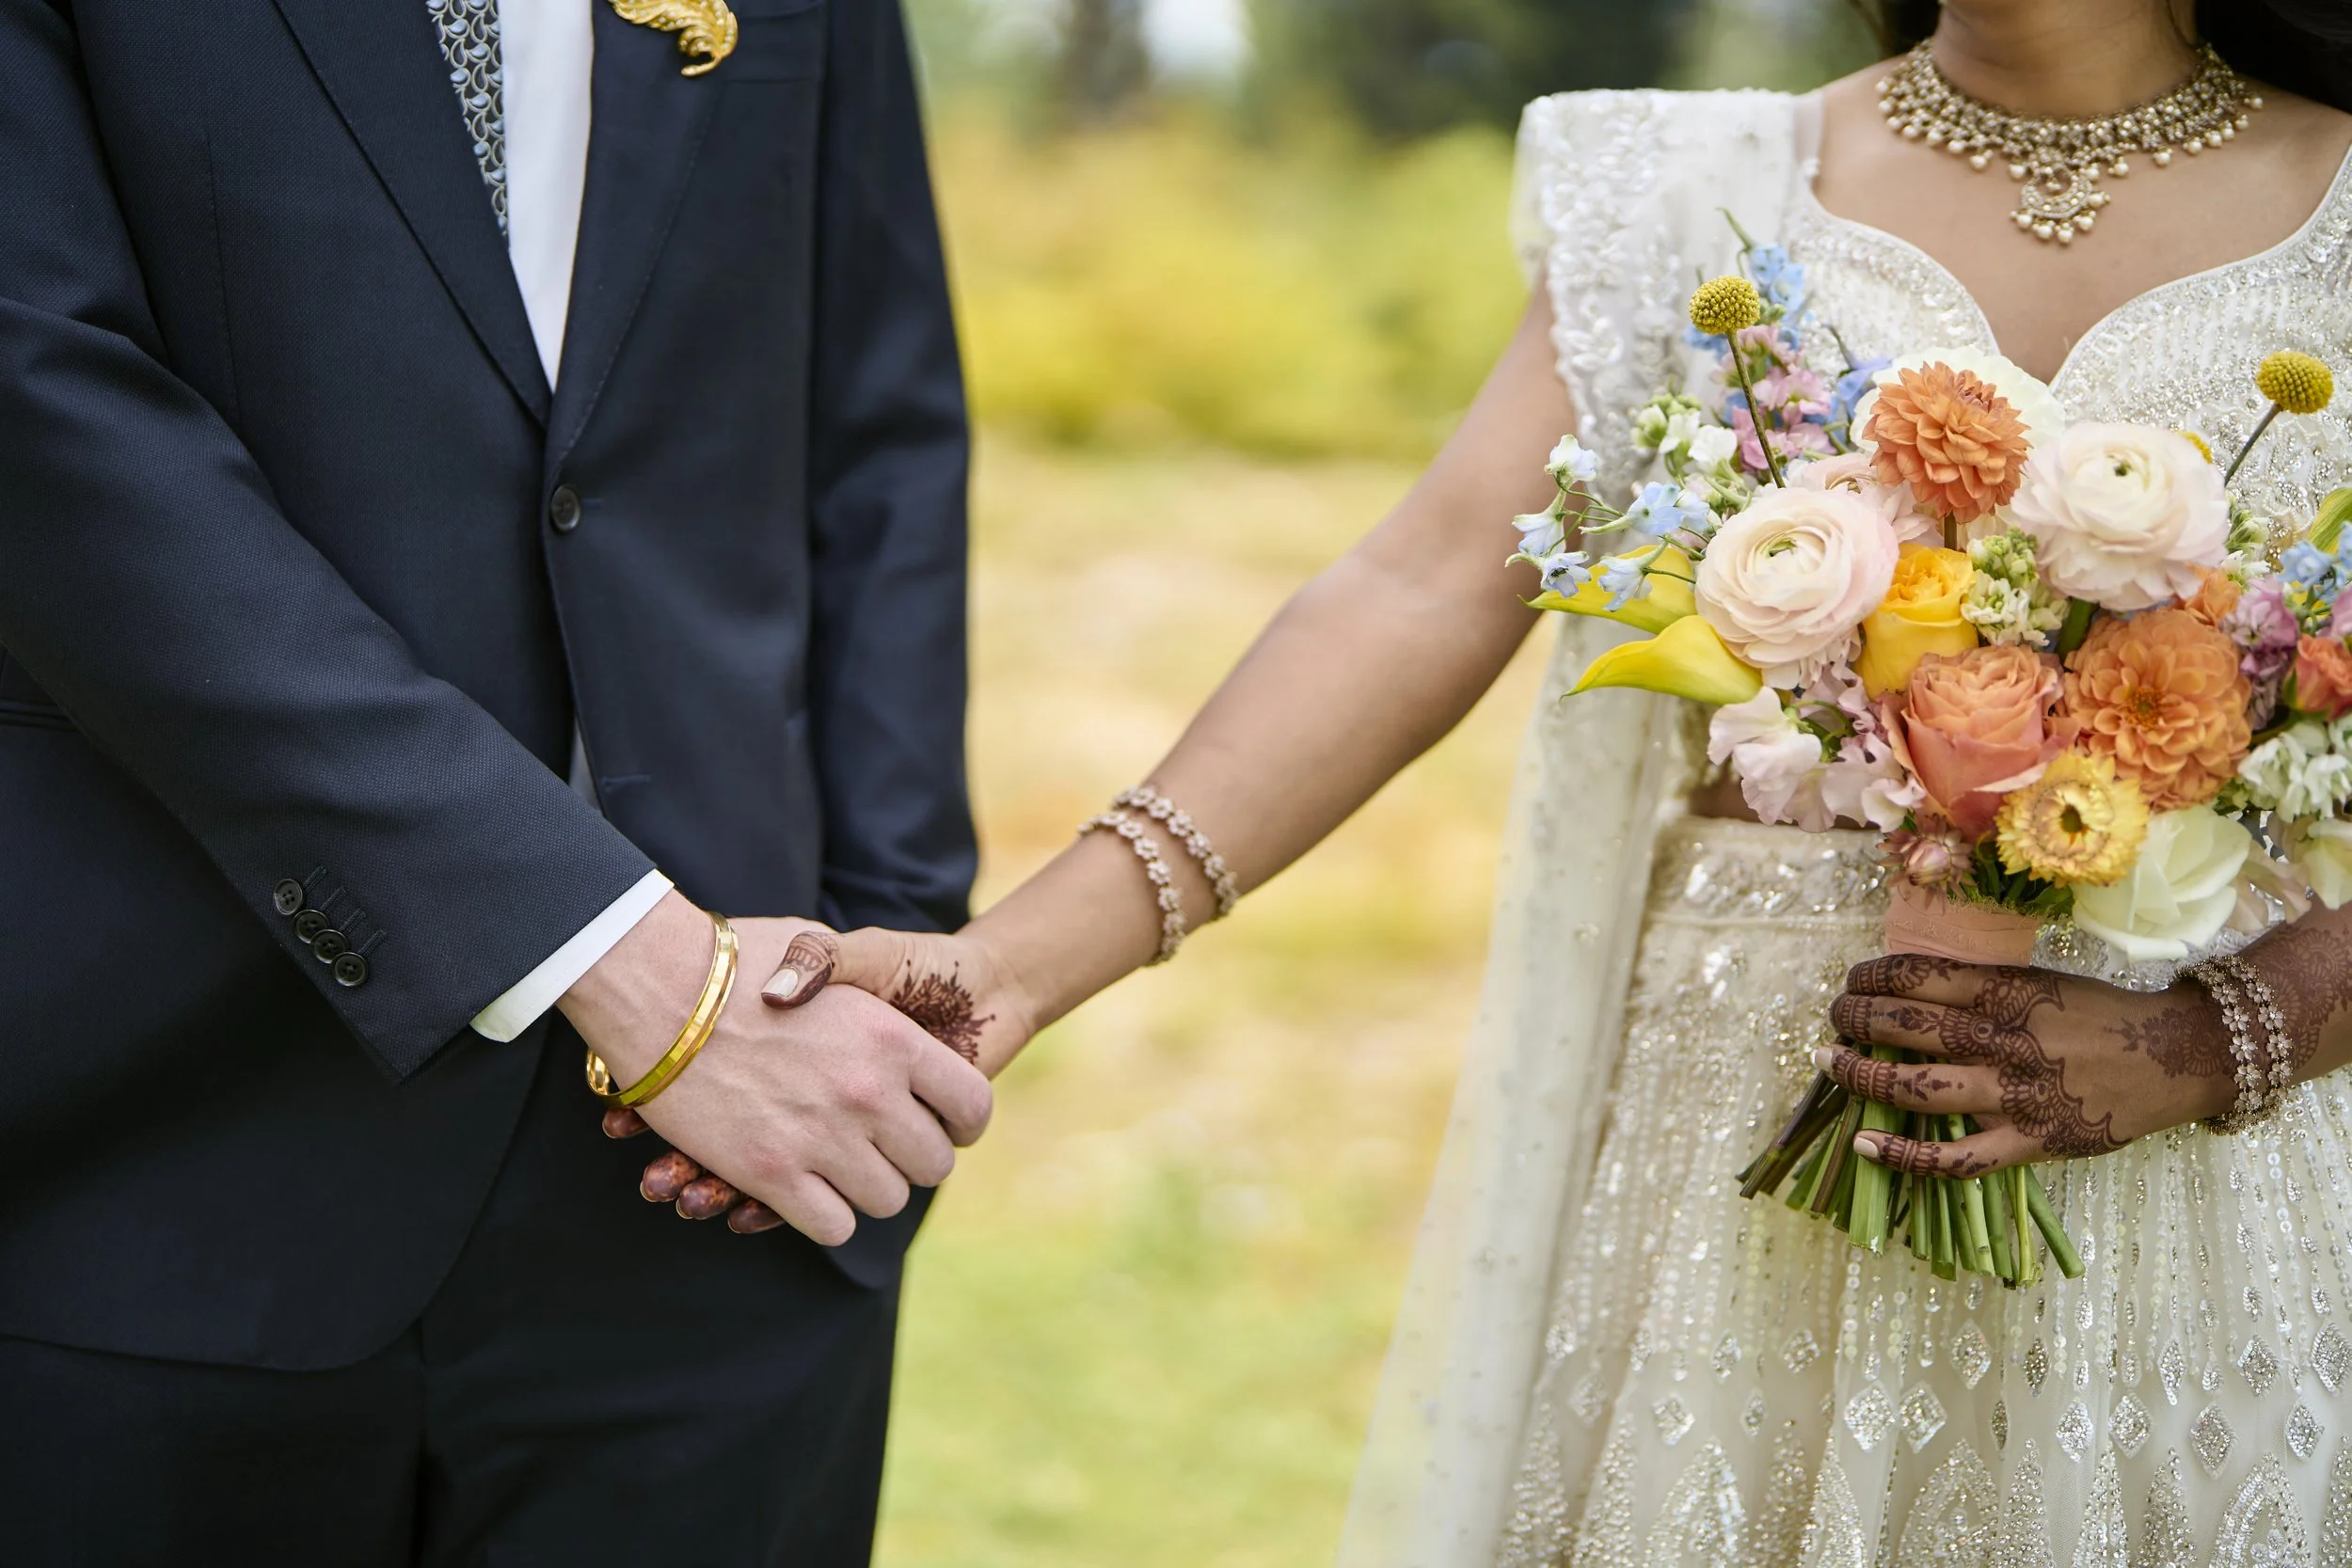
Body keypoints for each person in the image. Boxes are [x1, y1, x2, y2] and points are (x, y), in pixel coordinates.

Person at [641, 0, 2352, 1558]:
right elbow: (1426, 583)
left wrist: (2220, 1036)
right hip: (1736, 1184)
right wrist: (1011, 963)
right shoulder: (1690, 192)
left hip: (2214, 1181)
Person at [0, 0, 993, 1561]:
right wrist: (618, 952)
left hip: (740, 1182)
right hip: (160, 1151)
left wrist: (884, 937)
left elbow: (876, 431)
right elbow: (40, 408)